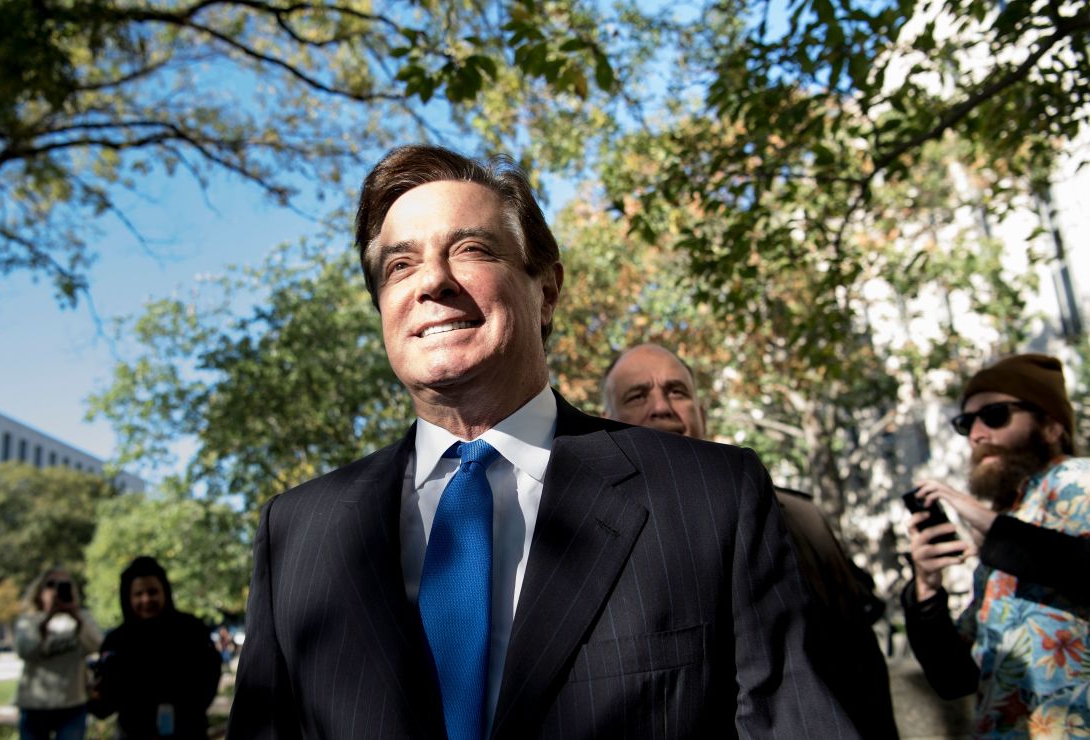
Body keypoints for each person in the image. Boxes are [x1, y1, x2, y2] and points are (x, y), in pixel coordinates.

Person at [228, 144, 858, 738]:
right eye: (400, 265)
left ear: (547, 291)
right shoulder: (297, 536)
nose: (432, 282)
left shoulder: (710, 499)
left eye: (470, 249)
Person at [602, 342, 899, 739]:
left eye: (677, 391)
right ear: (607, 422)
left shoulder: (801, 518)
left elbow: (859, 665)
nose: (662, 407)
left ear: (702, 414)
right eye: (637, 395)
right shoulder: (590, 541)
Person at [903, 353, 1090, 736]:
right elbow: (954, 678)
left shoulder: (1078, 479)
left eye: (995, 415)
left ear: (1052, 426)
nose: (976, 434)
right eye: (965, 422)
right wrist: (925, 589)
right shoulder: (1010, 521)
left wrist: (985, 521)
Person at [92, 556, 221, 739]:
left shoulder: (191, 630)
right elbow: (103, 706)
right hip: (133, 732)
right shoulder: (116, 641)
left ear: (165, 592)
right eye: (138, 594)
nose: (146, 600)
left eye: (152, 592)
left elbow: (209, 676)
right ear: (128, 597)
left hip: (187, 730)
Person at [13, 567, 103, 740]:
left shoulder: (83, 618)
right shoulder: (29, 620)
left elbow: (96, 646)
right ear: (39, 590)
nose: (56, 590)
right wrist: (46, 620)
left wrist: (76, 618)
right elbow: (25, 651)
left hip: (73, 704)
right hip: (34, 706)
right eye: (50, 584)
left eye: (63, 584)